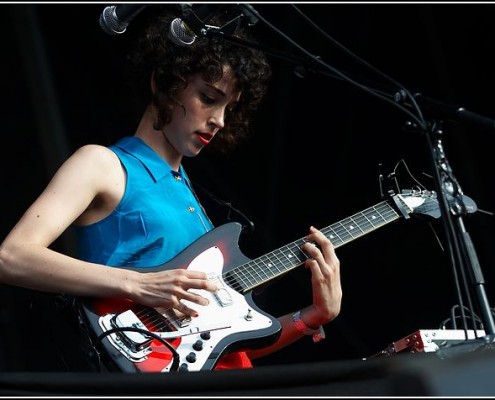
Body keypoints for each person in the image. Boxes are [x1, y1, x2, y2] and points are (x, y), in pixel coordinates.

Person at [0, 5, 342, 372]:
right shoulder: (103, 164)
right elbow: (11, 256)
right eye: (209, 98)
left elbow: (211, 347)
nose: (219, 120)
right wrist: (138, 284)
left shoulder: (194, 199)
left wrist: (312, 317)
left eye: (229, 107)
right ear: (163, 82)